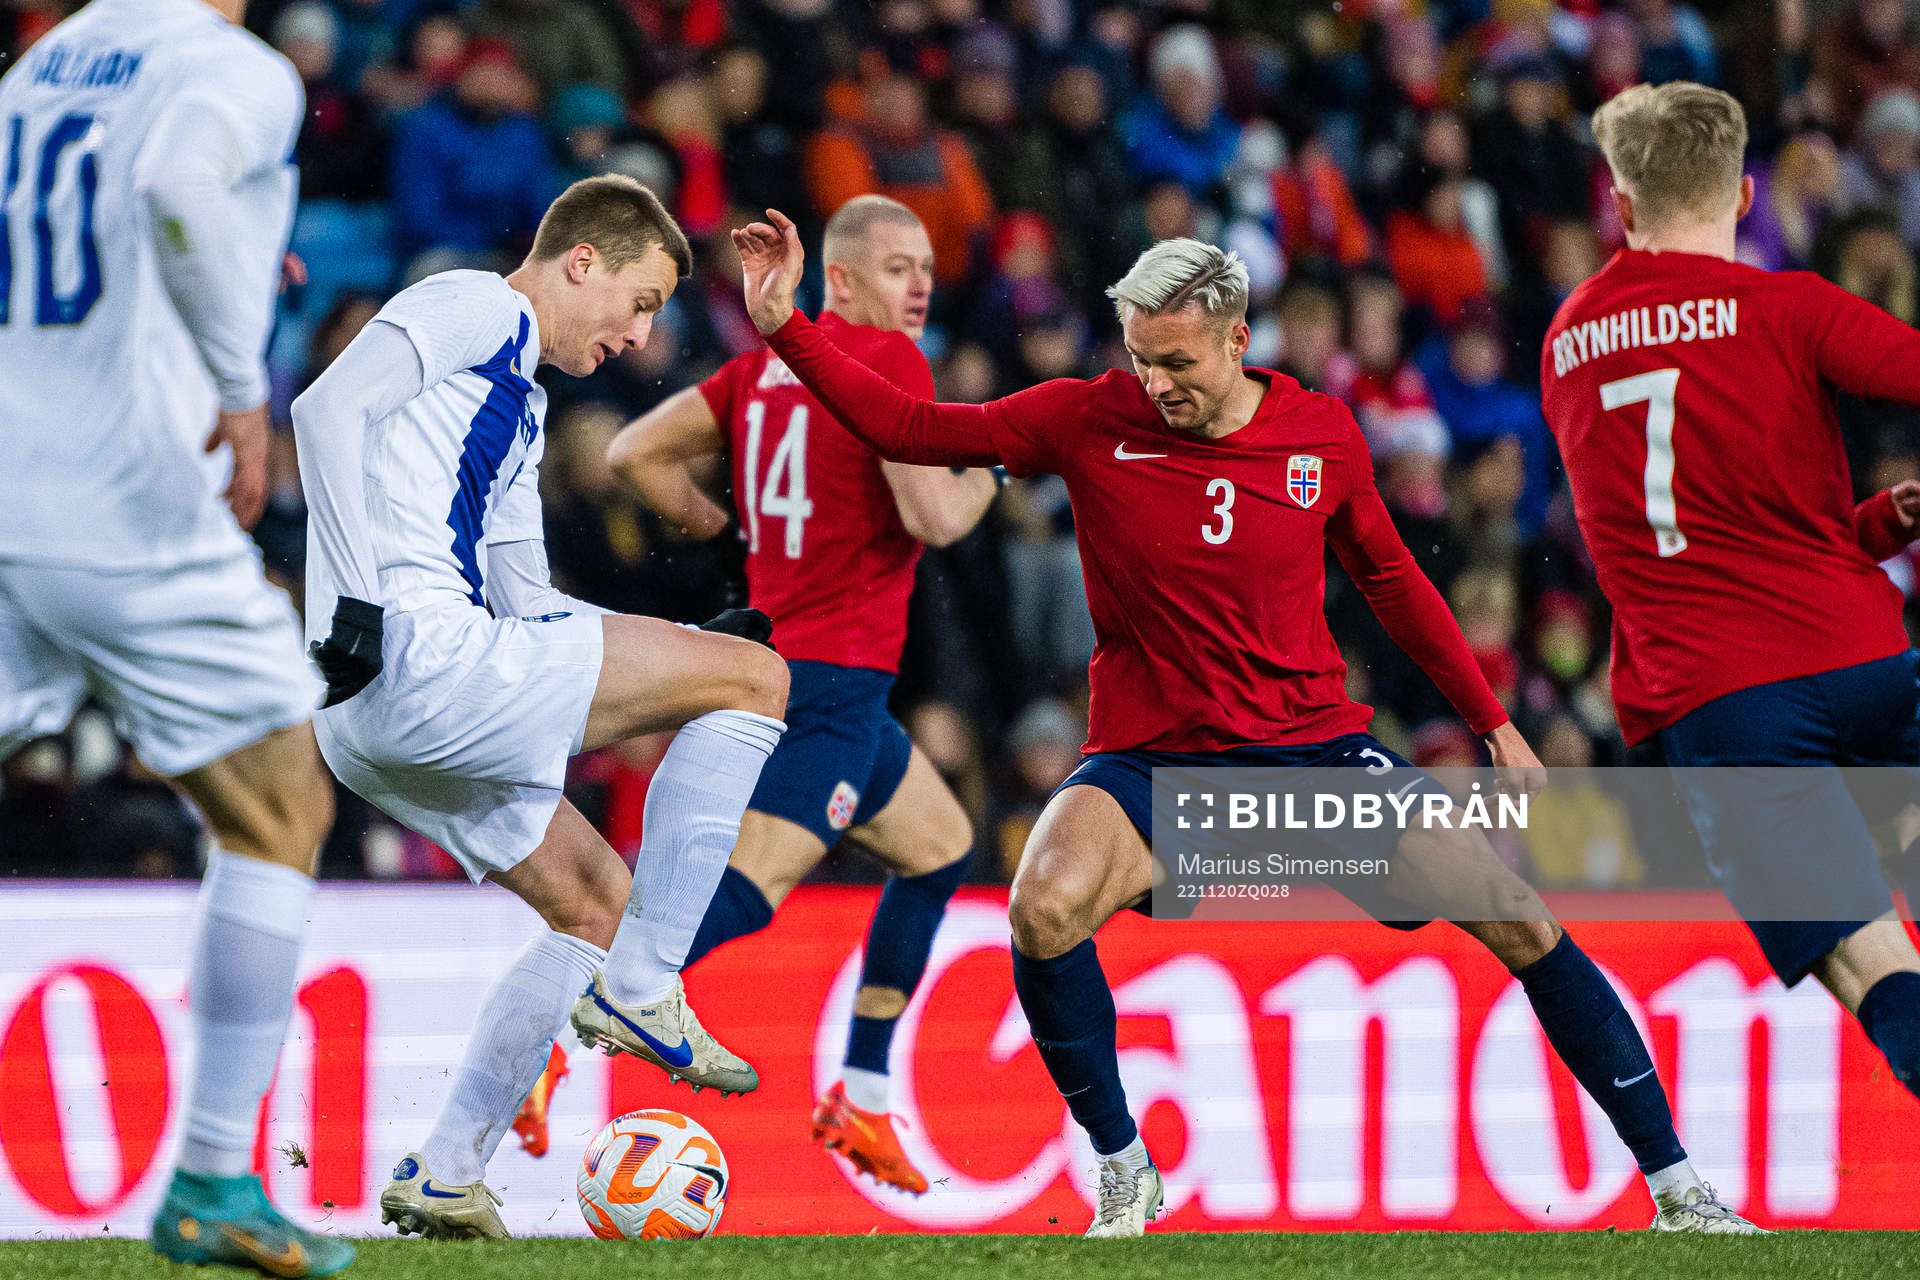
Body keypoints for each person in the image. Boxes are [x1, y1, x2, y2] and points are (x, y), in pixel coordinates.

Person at [732, 212, 1761, 1238]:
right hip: (1152, 764)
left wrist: (1493, 722)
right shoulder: (1089, 417)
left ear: (1236, 338)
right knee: (1040, 904)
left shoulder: (1321, 434)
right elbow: (910, 430)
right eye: (1141, 359)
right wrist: (786, 327)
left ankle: (1678, 1188)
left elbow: (1393, 580)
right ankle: (1123, 1168)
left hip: (1314, 759)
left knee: (1521, 916)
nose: (1155, 384)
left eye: (1176, 362)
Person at [290, 174, 789, 1240]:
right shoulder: (474, 303)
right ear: (581, 260)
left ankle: (446, 1171)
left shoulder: (518, 401)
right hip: (411, 656)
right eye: (640, 302)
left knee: (597, 902)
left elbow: (531, 604)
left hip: (378, 711)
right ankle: (647, 991)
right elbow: (322, 408)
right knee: (762, 684)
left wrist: (686, 646)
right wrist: (352, 603)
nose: (642, 335)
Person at [0, 0, 350, 1272]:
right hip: (128, 503)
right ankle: (210, 1176)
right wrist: (242, 386)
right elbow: (176, 183)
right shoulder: (229, 65)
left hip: (10, 475)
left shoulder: (44, 65)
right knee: (279, 801)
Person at [592, 195, 997, 1193]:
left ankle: (862, 1092)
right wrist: (992, 464)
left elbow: (631, 453)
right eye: (898, 267)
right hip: (835, 679)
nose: (920, 287)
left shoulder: (759, 369)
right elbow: (935, 515)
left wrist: (724, 533)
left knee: (940, 847)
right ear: (841, 279)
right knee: (754, 887)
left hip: (789, 662)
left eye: (927, 268)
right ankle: (572, 1015)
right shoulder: (888, 362)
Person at [1542, 81, 1920, 1106]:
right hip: (1866, 661)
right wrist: (1877, 526)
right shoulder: (1789, 308)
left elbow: (1694, 544)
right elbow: (1766, 535)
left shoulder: (1567, 343)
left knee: (1870, 959)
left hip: (1725, 703)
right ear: (1745, 195)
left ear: (1621, 204)